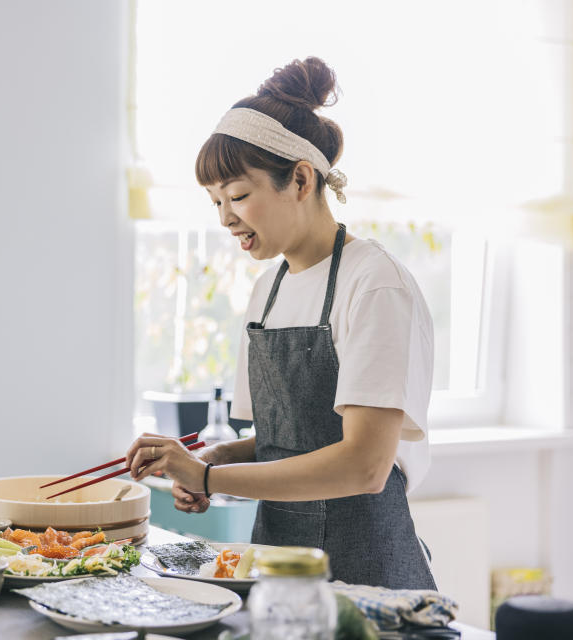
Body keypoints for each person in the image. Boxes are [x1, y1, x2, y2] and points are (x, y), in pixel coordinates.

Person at [126, 58, 436, 590]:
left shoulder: (374, 283)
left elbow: (365, 465)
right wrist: (210, 459)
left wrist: (210, 476)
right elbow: (282, 443)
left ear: (300, 178)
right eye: (215, 201)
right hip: (277, 565)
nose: (225, 218)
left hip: (367, 575)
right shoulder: (266, 291)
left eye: (239, 195)